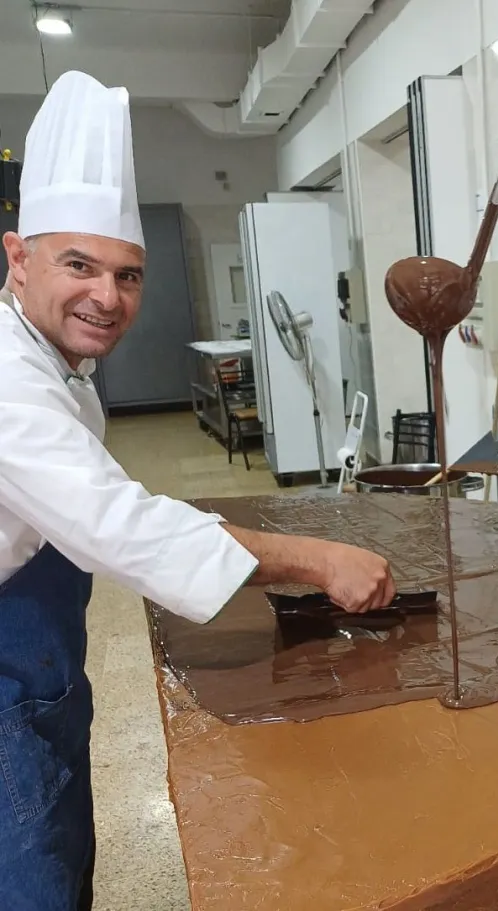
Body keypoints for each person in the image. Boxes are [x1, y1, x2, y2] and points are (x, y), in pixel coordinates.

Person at [0, 71, 396, 910]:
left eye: (128, 274)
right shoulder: (6, 381)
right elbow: (119, 522)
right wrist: (318, 559)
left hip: (39, 640)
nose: (107, 298)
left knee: (62, 834)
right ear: (16, 256)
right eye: (80, 264)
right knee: (28, 863)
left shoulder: (54, 356)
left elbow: (93, 498)